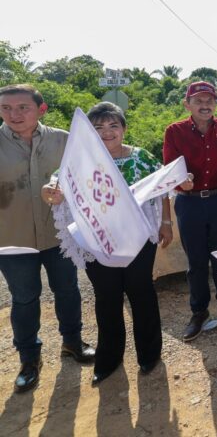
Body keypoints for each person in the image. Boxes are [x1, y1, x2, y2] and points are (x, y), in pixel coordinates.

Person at [45, 102, 191, 384]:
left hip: (137, 240)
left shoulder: (141, 157)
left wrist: (166, 223)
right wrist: (50, 191)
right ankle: (108, 360)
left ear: (123, 129)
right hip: (97, 242)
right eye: (98, 127)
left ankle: (149, 356)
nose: (107, 132)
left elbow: (162, 187)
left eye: (113, 126)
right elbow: (57, 183)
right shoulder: (80, 160)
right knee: (107, 300)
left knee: (142, 295)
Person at [0, 84, 94, 393]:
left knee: (67, 290)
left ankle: (72, 343)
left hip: (58, 235)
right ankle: (29, 359)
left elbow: (84, 179)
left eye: (22, 107)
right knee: (24, 299)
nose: (14, 114)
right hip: (12, 238)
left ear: (41, 109)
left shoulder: (64, 141)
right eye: (6, 108)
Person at [163, 81, 217, 341]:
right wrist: (181, 182)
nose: (205, 105)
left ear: (216, 104)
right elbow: (169, 168)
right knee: (196, 263)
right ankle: (198, 313)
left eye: (209, 100)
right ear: (187, 104)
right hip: (189, 203)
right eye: (198, 101)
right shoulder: (174, 131)